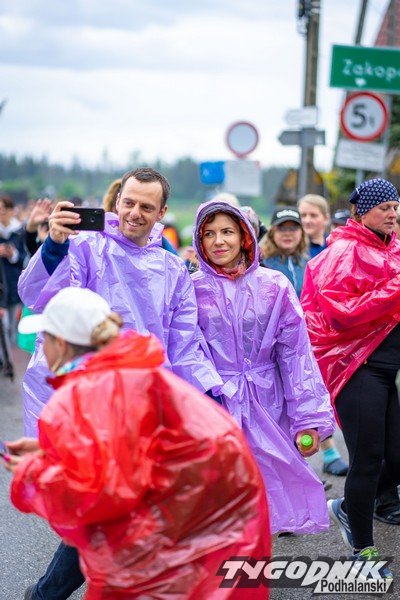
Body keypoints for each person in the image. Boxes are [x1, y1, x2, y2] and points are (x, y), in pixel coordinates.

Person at [4, 287, 270, 599]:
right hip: (219, 509)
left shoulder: (92, 389)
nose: (42, 349)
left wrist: (33, 471)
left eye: (44, 339)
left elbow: (102, 494)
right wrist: (52, 452)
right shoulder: (124, 370)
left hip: (190, 519)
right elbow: (125, 452)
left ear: (60, 344)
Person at [18, 167, 222, 437]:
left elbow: (184, 343)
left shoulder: (173, 269)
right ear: (117, 202)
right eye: (129, 203)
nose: (135, 213)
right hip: (82, 393)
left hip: (143, 399)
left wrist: (207, 397)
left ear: (162, 212)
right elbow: (43, 298)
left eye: (146, 207)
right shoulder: (84, 246)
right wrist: (54, 247)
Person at [191, 199, 335, 535]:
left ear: (244, 235)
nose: (218, 241)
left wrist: (307, 418)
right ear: (199, 240)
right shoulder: (190, 289)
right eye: (209, 233)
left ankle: (252, 565)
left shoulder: (274, 285)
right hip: (216, 405)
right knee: (221, 504)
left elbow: (296, 356)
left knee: (267, 498)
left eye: (227, 231)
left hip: (269, 405)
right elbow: (185, 350)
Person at [301, 177, 400, 577]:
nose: (392, 214)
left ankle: (348, 508)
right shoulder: (343, 252)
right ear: (362, 212)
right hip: (357, 369)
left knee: (397, 458)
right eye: (385, 208)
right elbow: (342, 313)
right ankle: (363, 550)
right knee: (368, 460)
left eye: (396, 207)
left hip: (387, 371)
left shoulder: (392, 248)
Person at [298, 194, 348, 477]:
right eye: (303, 215)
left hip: (325, 333)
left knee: (326, 392)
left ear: (326, 219)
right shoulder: (289, 246)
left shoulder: (333, 249)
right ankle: (326, 452)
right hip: (298, 331)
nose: (307, 220)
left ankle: (329, 450)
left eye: (313, 215)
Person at [0, 194, 27, 376]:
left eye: (4, 209)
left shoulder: (19, 231)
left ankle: (7, 359)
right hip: (0, 285)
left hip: (13, 284)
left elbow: (25, 258)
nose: (2, 213)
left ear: (11, 211)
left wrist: (13, 254)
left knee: (10, 326)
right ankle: (4, 360)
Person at [261, 207, 308, 297]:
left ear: (301, 232)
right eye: (281, 228)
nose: (287, 233)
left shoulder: (308, 263)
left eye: (293, 228)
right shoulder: (261, 264)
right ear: (272, 233)